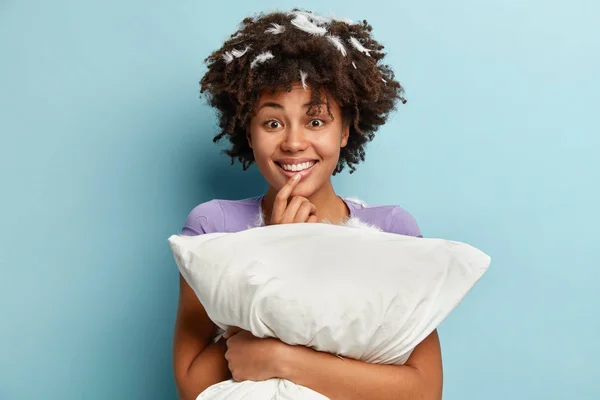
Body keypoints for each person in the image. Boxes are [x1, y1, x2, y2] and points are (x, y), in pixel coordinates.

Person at [173, 9, 443, 400]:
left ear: (346, 130)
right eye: (272, 123)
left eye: (315, 121)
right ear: (248, 132)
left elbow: (424, 390)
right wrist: (276, 252)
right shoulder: (212, 227)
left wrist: (283, 361)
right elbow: (192, 387)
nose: (294, 142)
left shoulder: (392, 231)